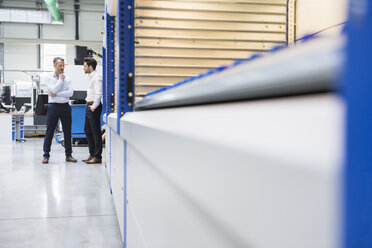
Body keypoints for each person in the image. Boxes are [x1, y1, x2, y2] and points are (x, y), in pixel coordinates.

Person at [42, 57, 77, 164]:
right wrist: (60, 80)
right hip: (53, 107)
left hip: (65, 106)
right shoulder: (48, 78)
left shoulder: (69, 79)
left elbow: (70, 93)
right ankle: (46, 155)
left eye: (63, 65)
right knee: (49, 131)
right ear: (54, 66)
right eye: (60, 65)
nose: (62, 67)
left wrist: (57, 93)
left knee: (67, 131)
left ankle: (68, 155)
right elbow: (53, 89)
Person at [82, 57, 103, 164]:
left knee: (95, 132)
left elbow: (99, 93)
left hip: (93, 107)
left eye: (85, 66)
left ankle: (98, 156)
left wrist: (94, 106)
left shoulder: (97, 77)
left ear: (90, 67)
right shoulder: (91, 77)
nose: (83, 68)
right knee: (87, 130)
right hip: (89, 106)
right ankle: (92, 154)